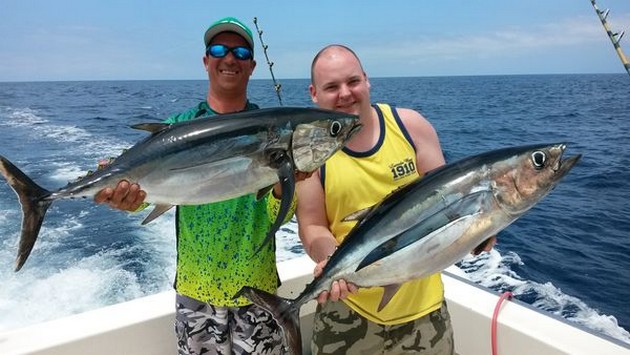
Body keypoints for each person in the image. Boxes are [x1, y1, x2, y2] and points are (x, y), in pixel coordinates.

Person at [94, 17, 296, 354]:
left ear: (252, 66)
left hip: (257, 292)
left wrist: (284, 183)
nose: (229, 58)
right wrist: (124, 198)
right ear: (206, 61)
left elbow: (283, 216)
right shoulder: (178, 126)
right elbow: (148, 193)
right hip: (195, 294)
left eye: (240, 52)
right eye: (219, 49)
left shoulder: (271, 130)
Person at [296, 44, 496, 354]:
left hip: (425, 312)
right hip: (346, 314)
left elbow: (451, 203)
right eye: (331, 87)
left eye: (353, 81)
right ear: (314, 93)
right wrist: (328, 258)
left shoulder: (411, 127)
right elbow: (312, 225)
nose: (345, 93)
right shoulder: (309, 155)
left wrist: (481, 230)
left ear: (367, 80)